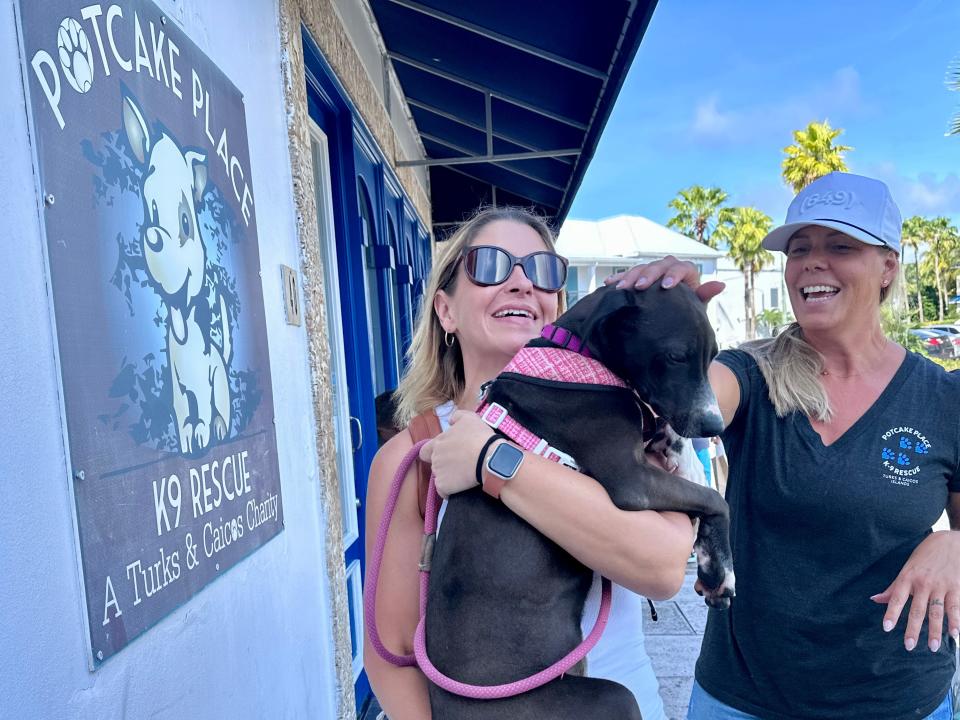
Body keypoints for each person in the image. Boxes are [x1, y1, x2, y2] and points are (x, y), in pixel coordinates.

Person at [613, 172, 960, 719]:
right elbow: (658, 410)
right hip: (745, 701)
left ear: (888, 266)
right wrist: (652, 316)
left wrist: (954, 544)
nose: (812, 263)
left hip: (902, 701)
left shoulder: (944, 396)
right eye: (799, 249)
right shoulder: (749, 374)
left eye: (840, 246)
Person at [363, 206, 695, 720]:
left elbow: (662, 567)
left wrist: (492, 462)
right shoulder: (412, 455)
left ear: (557, 307)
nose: (521, 283)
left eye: (541, 270)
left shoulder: (634, 418)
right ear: (445, 311)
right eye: (490, 265)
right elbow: (393, 651)